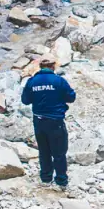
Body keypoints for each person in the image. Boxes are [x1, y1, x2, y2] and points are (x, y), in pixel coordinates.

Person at [21, 55, 76, 189]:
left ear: (40, 67)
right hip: (55, 121)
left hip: (39, 121)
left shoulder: (32, 81)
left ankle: (46, 178)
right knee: (59, 152)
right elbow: (71, 97)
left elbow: (25, 100)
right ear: (53, 67)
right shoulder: (59, 81)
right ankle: (61, 181)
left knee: (44, 150)